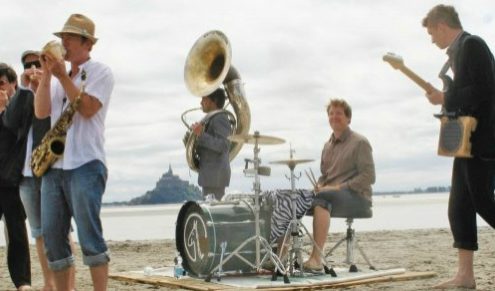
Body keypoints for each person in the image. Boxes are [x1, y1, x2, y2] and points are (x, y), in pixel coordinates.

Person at [34, 13, 114, 291]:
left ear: (87, 43)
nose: (63, 42)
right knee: (54, 241)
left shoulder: (100, 71)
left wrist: (61, 77)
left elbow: (89, 108)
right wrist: (46, 77)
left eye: (69, 37)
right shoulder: (56, 78)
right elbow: (41, 111)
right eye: (62, 37)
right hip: (55, 167)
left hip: (86, 164)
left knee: (90, 236)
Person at [422, 5, 495, 289]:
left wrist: (445, 97)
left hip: (484, 138)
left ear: (442, 25)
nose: (431, 40)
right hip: (465, 140)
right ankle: (465, 276)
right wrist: (446, 95)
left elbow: (486, 89)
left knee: (483, 202)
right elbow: (466, 93)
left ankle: (466, 275)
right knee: (459, 206)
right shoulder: (458, 52)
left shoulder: (472, 44)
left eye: (431, 33)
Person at [13, 50, 77, 291]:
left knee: (61, 231)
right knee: (38, 232)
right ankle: (49, 283)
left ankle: (68, 285)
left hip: (49, 169)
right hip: (25, 174)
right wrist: (24, 89)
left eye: (36, 63)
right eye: (27, 65)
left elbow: (46, 118)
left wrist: (44, 84)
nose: (32, 68)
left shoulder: (53, 89)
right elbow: (11, 121)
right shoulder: (22, 95)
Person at [303, 98, 375, 271]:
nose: (334, 116)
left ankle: (316, 259)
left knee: (322, 198)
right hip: (331, 195)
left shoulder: (360, 142)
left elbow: (369, 176)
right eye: (331, 113)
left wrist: (337, 188)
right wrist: (319, 186)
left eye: (339, 113)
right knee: (297, 197)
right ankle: (281, 255)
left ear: (349, 118)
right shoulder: (327, 146)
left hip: (358, 197)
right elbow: (325, 176)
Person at [0, 63, 32, 291]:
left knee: (17, 233)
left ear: (13, 84)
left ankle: (22, 283)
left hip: (11, 179)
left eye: (1, 83)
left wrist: (3, 110)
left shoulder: (20, 106)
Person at [191, 88, 232, 200]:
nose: (200, 102)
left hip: (215, 179)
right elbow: (209, 149)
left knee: (213, 215)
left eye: (204, 99)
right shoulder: (212, 118)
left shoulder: (220, 118)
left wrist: (201, 134)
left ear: (213, 101)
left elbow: (224, 145)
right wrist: (195, 142)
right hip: (211, 178)